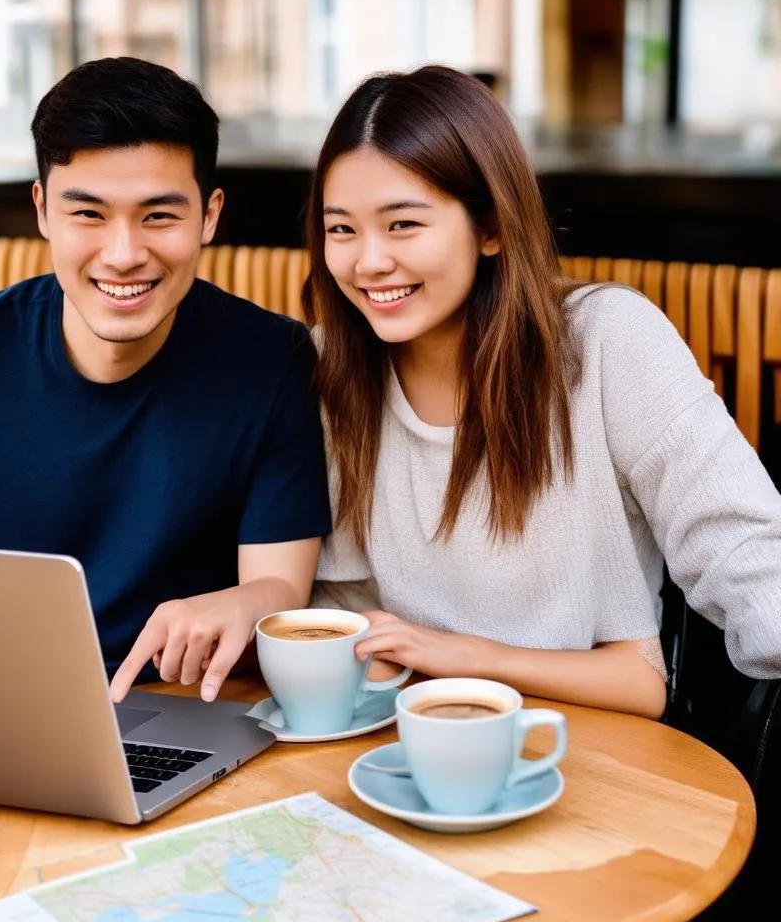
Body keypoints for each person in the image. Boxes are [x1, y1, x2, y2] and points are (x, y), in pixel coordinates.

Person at [0, 57, 331, 703]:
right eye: (89, 214)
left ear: (209, 217)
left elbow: (278, 589)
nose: (124, 253)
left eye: (159, 215)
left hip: (186, 704)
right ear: (43, 209)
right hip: (9, 698)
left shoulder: (273, 360)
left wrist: (245, 606)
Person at [304, 65, 781, 719]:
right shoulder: (328, 366)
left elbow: (740, 547)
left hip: (601, 745)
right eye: (341, 229)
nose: (369, 261)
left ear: (492, 226)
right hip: (411, 748)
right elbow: (341, 610)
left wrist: (468, 655)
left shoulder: (606, 339)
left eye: (403, 224)